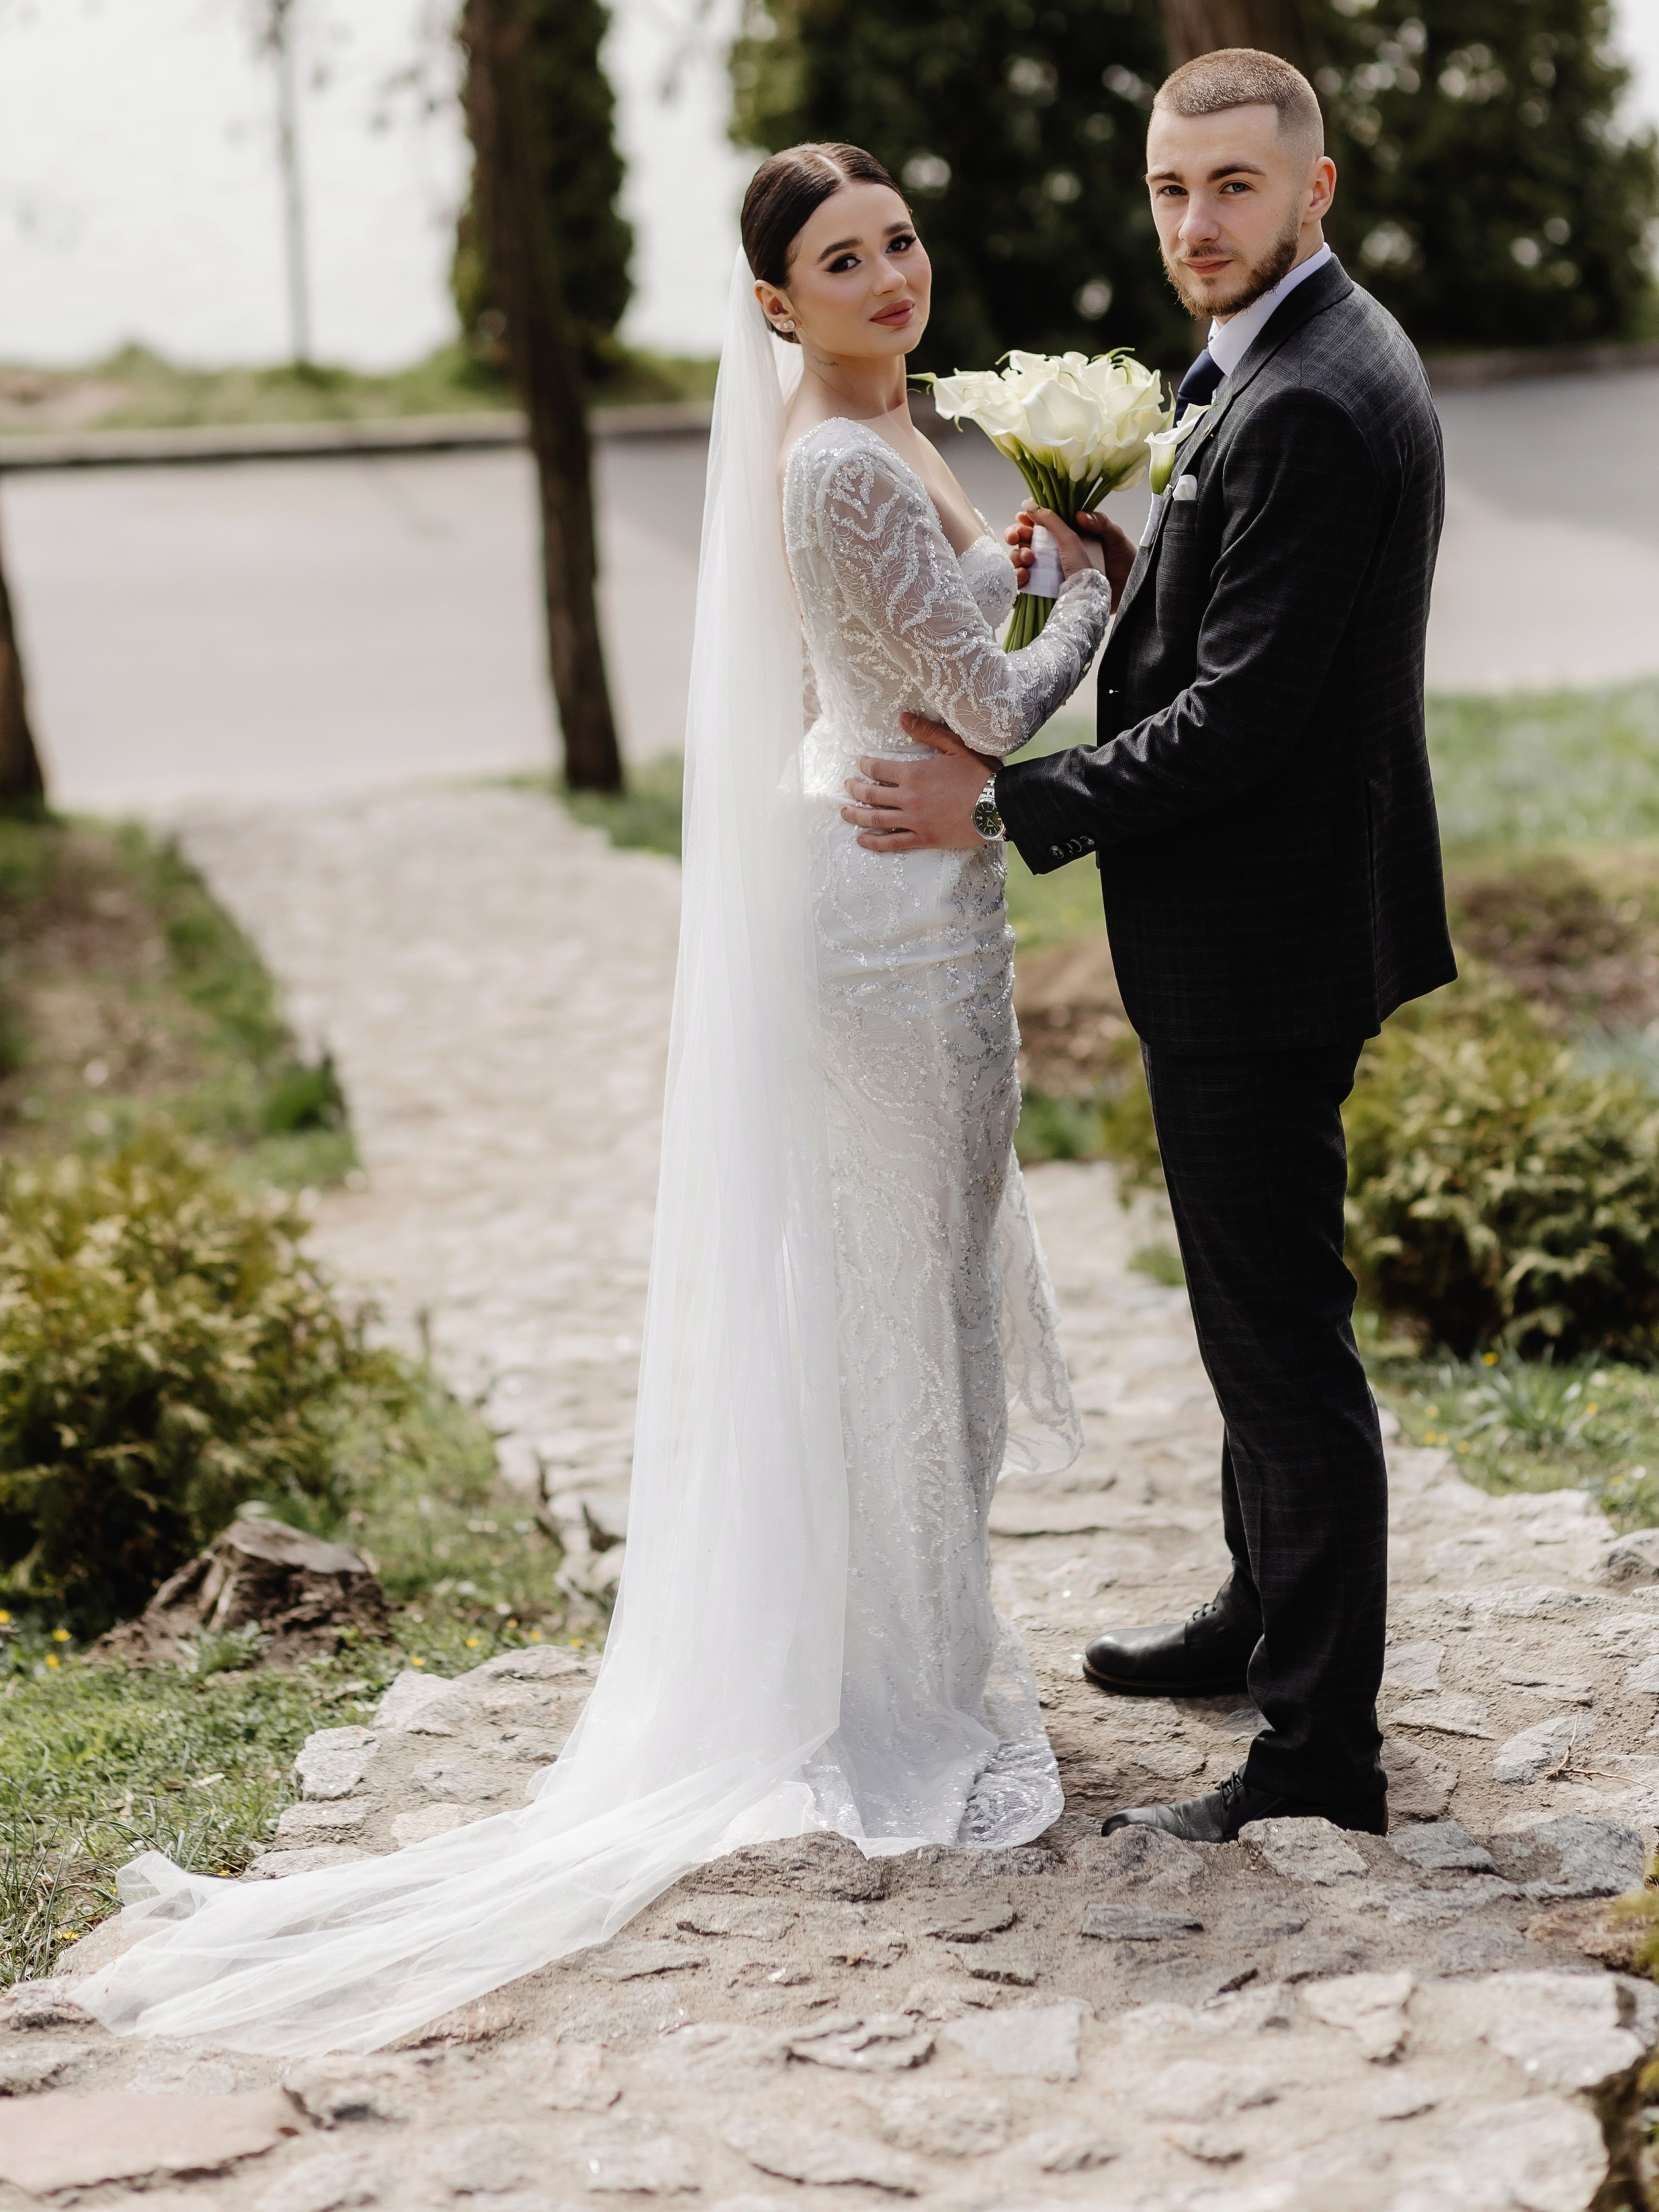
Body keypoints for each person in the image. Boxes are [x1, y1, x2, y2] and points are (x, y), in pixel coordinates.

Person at [75, 143, 1109, 2057]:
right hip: (889, 933)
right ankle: (894, 1693)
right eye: (842, 260)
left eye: (898, 241)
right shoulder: (833, 459)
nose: (891, 275)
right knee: (908, 1303)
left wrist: (1030, 551)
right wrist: (1100, 598)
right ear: (776, 305)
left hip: (919, 902)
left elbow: (932, 630)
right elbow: (986, 710)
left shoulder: (892, 427)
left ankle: (923, 1652)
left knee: (931, 1285)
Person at [841, 50, 1455, 1843]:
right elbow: (1234, 622)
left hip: (1266, 938)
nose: (1196, 223)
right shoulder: (1276, 353)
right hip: (1275, 912)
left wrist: (1000, 804)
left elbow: (1244, 718)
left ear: (1314, 189)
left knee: (1279, 1345)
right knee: (1251, 1313)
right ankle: (1257, 1616)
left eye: (1234, 188)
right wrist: (1123, 564)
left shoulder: (1313, 398)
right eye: (1172, 189)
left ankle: (1320, 1755)